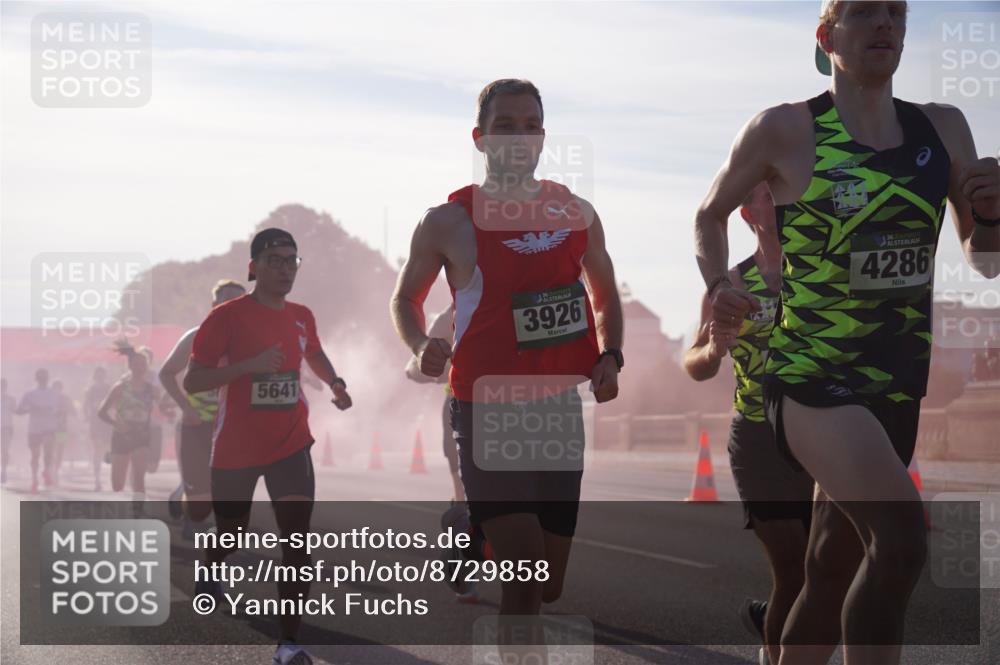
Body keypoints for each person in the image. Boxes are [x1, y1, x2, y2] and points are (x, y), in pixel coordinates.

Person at [693, 2, 1000, 663]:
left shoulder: (943, 128)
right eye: (863, 10)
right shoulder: (786, 127)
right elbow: (709, 213)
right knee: (901, 541)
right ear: (826, 35)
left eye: (895, 11)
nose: (884, 22)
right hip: (810, 379)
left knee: (831, 566)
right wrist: (720, 283)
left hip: (897, 380)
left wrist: (992, 214)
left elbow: (987, 262)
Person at [390, 79, 624, 648]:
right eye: (505, 127)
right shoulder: (449, 220)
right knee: (525, 585)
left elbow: (605, 294)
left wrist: (611, 354)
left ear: (543, 137)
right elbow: (404, 300)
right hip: (485, 408)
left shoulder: (577, 212)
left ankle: (471, 530)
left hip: (557, 413)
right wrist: (421, 343)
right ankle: (483, 527)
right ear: (480, 138)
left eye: (530, 126)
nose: (519, 138)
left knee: (549, 588)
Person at [184, 228, 352, 665]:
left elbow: (314, 352)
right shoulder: (226, 317)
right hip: (236, 448)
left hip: (291, 442)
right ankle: (211, 562)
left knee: (296, 543)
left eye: (292, 260)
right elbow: (194, 380)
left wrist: (334, 381)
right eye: (275, 260)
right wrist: (247, 367)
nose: (284, 268)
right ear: (253, 267)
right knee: (233, 533)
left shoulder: (302, 315)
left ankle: (289, 642)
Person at [684, 182, 817, 665]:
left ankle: (773, 620)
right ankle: (774, 650)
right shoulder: (732, 283)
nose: (781, 200)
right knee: (795, 571)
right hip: (760, 438)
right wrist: (716, 348)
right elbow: (695, 363)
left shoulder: (822, 273)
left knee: (826, 572)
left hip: (822, 435)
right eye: (768, 193)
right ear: (746, 213)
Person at [160, 278, 246, 533]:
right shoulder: (196, 336)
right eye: (226, 299)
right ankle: (189, 510)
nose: (232, 305)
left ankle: (222, 535)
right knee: (199, 491)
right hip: (196, 423)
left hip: (232, 426)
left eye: (239, 301)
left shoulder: (251, 341)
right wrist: (186, 408)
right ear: (214, 304)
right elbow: (166, 373)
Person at [404, 305, 464, 503]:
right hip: (464, 402)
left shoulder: (452, 314)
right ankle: (461, 501)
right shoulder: (449, 316)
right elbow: (414, 368)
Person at [97, 343, 165, 506]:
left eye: (143, 364)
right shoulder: (120, 387)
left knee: (139, 478)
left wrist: (176, 405)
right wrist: (116, 423)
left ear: (147, 367)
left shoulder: (152, 390)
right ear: (129, 366)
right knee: (117, 485)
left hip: (141, 435)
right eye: (136, 364)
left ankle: (138, 512)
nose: (140, 367)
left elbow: (164, 407)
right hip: (121, 435)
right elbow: (101, 412)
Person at [16, 368, 59, 493]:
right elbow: (19, 411)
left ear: (47, 379)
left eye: (44, 378)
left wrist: (43, 409)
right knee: (35, 455)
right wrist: (29, 409)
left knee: (48, 450)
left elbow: (55, 409)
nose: (43, 380)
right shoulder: (29, 394)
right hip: (34, 428)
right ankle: (34, 479)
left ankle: (46, 471)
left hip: (49, 427)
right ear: (37, 379)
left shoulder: (53, 393)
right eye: (41, 378)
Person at [83, 367, 113, 491]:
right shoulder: (90, 390)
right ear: (95, 376)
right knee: (97, 450)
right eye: (98, 374)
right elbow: (85, 405)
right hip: (96, 422)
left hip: (106, 422)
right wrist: (86, 417)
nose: (100, 376)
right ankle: (97, 479)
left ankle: (109, 476)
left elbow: (115, 403)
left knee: (107, 448)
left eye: (102, 374)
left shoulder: (109, 388)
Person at [50, 380, 76, 485]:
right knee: (52, 449)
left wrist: (66, 410)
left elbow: (73, 411)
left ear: (61, 388)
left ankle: (55, 471)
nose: (57, 390)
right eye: (55, 388)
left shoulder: (66, 399)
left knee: (59, 450)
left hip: (61, 428)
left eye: (58, 388)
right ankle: (52, 470)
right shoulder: (49, 398)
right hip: (50, 429)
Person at [1, 378, 16, 485]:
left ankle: (3, 471)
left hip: (7, 427)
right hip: (6, 427)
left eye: (3, 386)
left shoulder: (11, 399)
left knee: (4, 450)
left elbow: (16, 411)